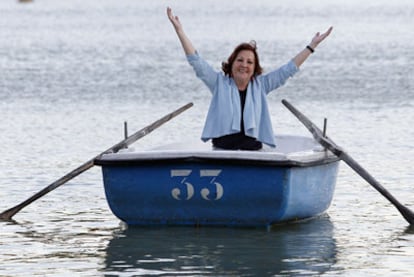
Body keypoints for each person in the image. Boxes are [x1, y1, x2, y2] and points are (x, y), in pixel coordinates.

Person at [167, 7, 333, 150]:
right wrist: (179, 31)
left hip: (253, 151)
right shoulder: (219, 83)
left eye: (249, 62)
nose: (244, 65)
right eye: (240, 60)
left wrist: (312, 46)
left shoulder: (261, 85)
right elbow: (197, 62)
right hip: (222, 150)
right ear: (231, 64)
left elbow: (288, 69)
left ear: (254, 68)